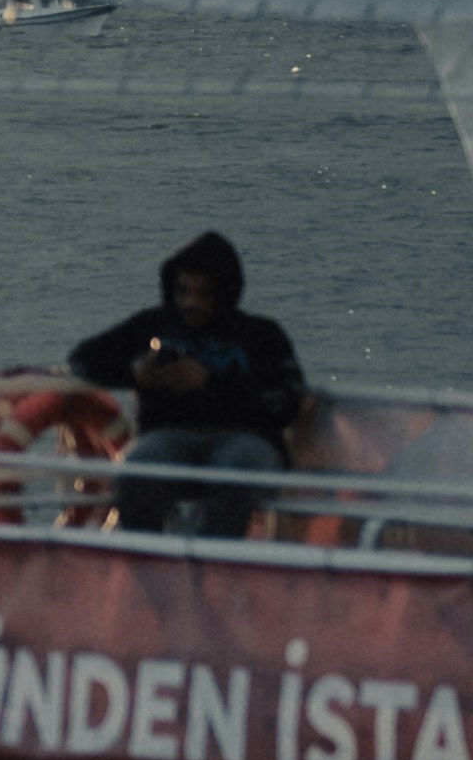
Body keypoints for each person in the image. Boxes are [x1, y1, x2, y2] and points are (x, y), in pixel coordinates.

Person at [69, 229, 310, 542]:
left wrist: (211, 383)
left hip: (244, 439)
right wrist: (135, 373)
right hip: (169, 437)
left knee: (233, 474)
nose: (190, 303)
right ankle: (150, 566)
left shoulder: (261, 335)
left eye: (202, 294)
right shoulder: (153, 325)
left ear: (224, 293)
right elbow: (82, 360)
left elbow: (289, 399)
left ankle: (213, 570)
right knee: (136, 474)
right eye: (183, 291)